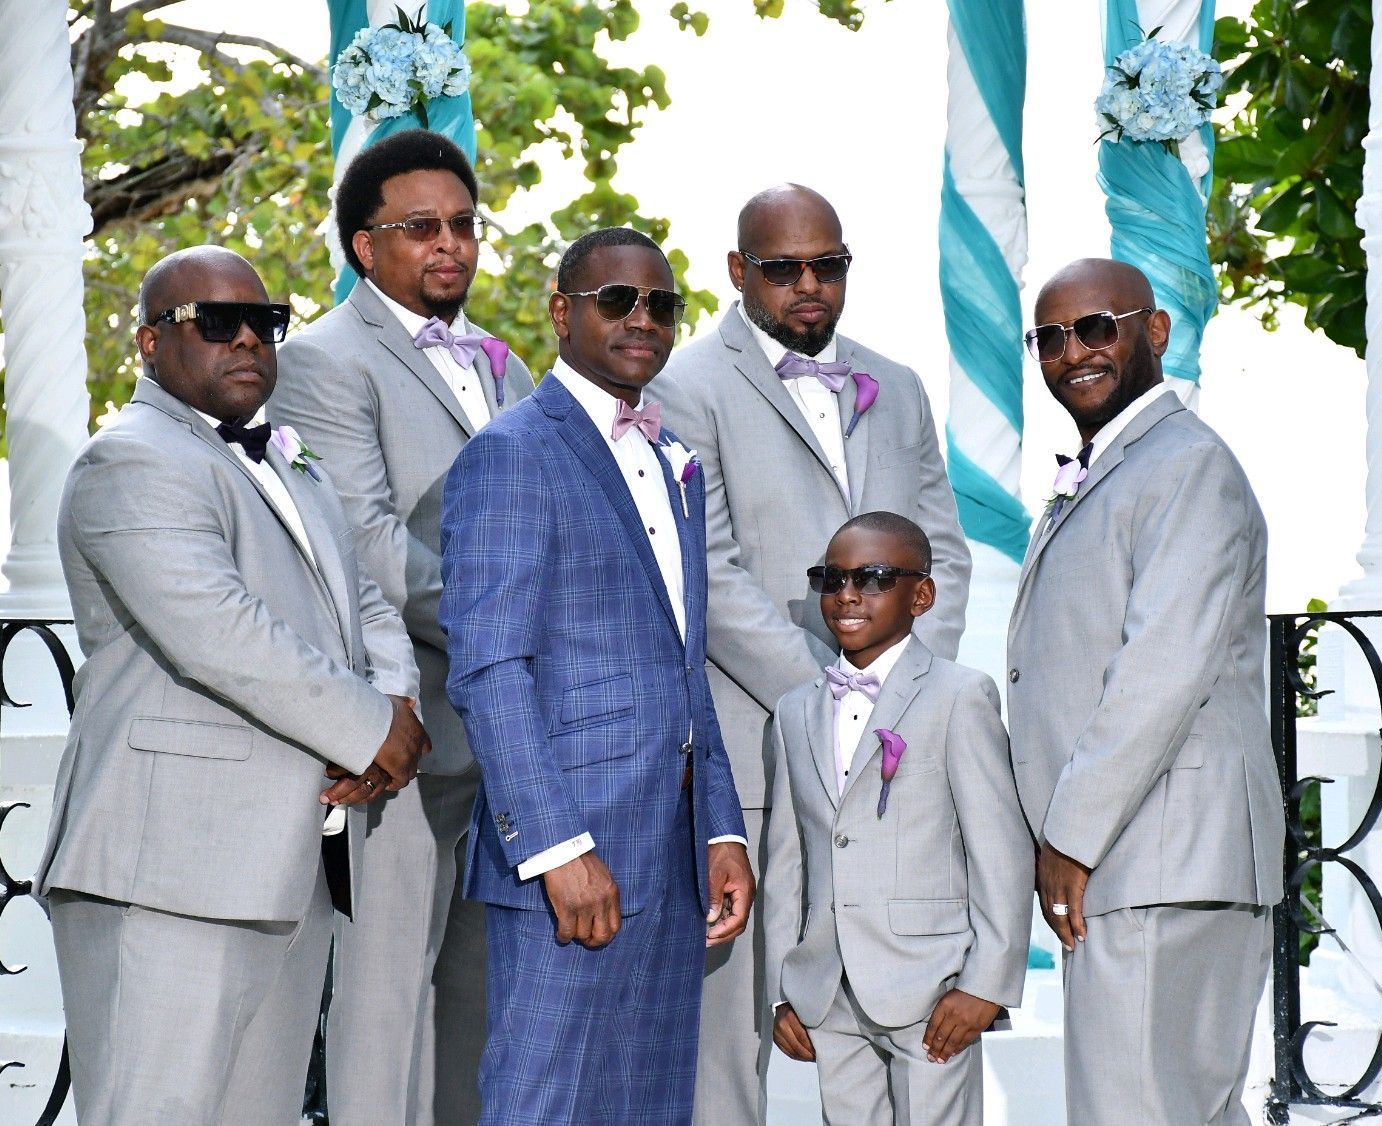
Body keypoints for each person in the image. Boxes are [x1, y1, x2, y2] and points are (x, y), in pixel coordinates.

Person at [34, 246, 430, 1125]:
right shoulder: (127, 461)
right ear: (148, 341)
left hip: (293, 866)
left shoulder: (291, 461)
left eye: (265, 322)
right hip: (168, 871)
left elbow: (365, 600)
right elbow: (223, 634)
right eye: (216, 322)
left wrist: (393, 714)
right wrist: (373, 730)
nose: (248, 338)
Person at [648, 183, 973, 1122]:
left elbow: (939, 552)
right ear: (737, 272)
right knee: (731, 1042)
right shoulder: (685, 387)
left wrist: (908, 695)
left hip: (899, 773)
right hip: (754, 755)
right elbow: (705, 574)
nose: (808, 287)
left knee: (892, 1027)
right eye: (783, 268)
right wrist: (833, 695)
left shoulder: (898, 386)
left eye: (826, 266)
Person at [439, 227, 753, 1125]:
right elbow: (490, 668)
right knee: (543, 1105)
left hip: (674, 851)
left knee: (647, 1107)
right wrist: (556, 848)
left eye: (660, 304)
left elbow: (685, 663)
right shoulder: (512, 453)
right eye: (616, 299)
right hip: (571, 860)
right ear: (561, 312)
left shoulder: (672, 461)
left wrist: (721, 827)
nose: (641, 319)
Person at [270, 128, 534, 1126]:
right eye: (420, 226)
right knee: (382, 1011)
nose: (451, 245)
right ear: (361, 246)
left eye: (465, 225)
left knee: (476, 1005)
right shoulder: (326, 362)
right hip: (402, 740)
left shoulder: (505, 366)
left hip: (503, 744)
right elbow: (366, 541)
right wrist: (517, 634)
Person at [1006, 258, 1284, 1123]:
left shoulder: (1185, 465)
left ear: (1152, 331)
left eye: (1095, 327)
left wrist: (1069, 836)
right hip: (1145, 858)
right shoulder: (1122, 462)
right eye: (1048, 338)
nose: (1071, 352)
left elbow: (1160, 669)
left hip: (1158, 854)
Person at [763, 511, 1030, 1125]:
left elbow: (1001, 854)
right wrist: (784, 988)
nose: (848, 594)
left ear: (922, 594)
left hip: (933, 992)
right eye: (830, 579)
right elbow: (788, 862)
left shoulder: (960, 696)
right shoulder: (795, 711)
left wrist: (986, 984)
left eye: (875, 577)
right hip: (828, 994)